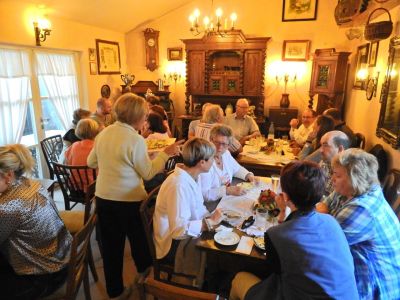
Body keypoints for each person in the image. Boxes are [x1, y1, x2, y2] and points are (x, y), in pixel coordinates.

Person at [87, 93, 183, 299]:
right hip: (128, 200)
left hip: (103, 198)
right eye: (145, 116)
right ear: (137, 117)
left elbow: (91, 162)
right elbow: (148, 173)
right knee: (140, 242)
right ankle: (145, 280)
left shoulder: (103, 133)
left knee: (112, 248)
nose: (146, 120)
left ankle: (115, 292)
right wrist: (166, 153)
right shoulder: (135, 139)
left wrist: (119, 161)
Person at [230, 161, 359, 300]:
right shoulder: (331, 221)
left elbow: (275, 271)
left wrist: (281, 214)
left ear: (285, 197)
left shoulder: (276, 234)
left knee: (240, 278)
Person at [317, 149, 400, 299]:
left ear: (356, 178)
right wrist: (326, 216)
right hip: (353, 268)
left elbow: (323, 244)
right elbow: (321, 207)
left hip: (374, 286)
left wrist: (325, 215)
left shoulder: (362, 208)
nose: (332, 178)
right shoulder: (348, 190)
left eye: (337, 175)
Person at [0, 144, 72, 299]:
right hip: (62, 257)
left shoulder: (8, 207)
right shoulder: (32, 184)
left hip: (43, 276)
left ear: (8, 175)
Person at [153, 138, 222, 287]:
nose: (214, 161)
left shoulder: (190, 176)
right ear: (201, 163)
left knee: (223, 236)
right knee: (217, 253)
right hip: (171, 244)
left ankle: (209, 282)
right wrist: (208, 223)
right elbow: (178, 230)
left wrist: (211, 217)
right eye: (212, 158)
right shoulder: (178, 185)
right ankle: (202, 288)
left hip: (181, 232)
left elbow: (198, 207)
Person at [199, 125, 256, 202]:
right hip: (211, 204)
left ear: (229, 145)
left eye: (224, 144)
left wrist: (248, 175)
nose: (219, 147)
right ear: (210, 140)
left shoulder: (225, 154)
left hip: (227, 198)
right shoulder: (204, 161)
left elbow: (236, 168)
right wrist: (227, 190)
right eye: (217, 142)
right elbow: (204, 194)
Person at [65, 118, 99, 191]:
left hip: (75, 186)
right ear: (96, 131)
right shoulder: (97, 146)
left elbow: (67, 162)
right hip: (93, 187)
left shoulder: (74, 146)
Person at [319, 130, 350, 196]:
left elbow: (333, 202)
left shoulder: (348, 174)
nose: (320, 150)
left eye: (325, 145)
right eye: (321, 145)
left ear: (340, 149)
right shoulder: (326, 162)